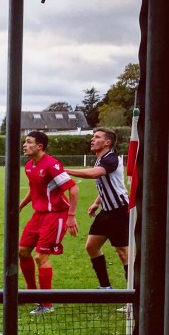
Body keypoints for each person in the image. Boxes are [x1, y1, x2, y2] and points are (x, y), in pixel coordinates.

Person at [19, 131, 79, 315]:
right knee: (22, 251)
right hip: (39, 215)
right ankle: (31, 293)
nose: (24, 145)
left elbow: (73, 189)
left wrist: (71, 216)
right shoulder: (29, 165)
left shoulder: (52, 165)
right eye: (25, 142)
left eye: (28, 142)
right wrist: (19, 206)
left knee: (40, 257)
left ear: (40, 147)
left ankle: (46, 304)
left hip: (56, 215)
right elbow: (34, 190)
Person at [64, 128, 129, 289]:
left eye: (97, 137)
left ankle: (133, 294)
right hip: (106, 211)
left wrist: (65, 171)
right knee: (92, 247)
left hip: (119, 211)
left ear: (107, 142)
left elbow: (94, 174)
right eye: (93, 137)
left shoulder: (111, 159)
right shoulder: (100, 159)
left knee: (122, 252)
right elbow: (108, 184)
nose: (92, 139)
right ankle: (106, 288)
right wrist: (96, 202)